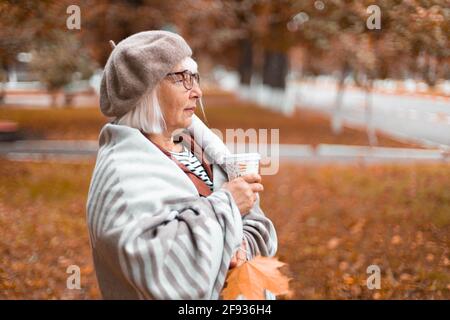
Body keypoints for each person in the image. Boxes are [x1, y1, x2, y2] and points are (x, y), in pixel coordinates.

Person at [86, 30, 277, 300]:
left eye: (195, 78)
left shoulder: (199, 147)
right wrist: (229, 206)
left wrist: (240, 246)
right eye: (182, 79)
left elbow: (256, 224)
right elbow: (163, 271)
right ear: (146, 90)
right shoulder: (123, 173)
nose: (197, 92)